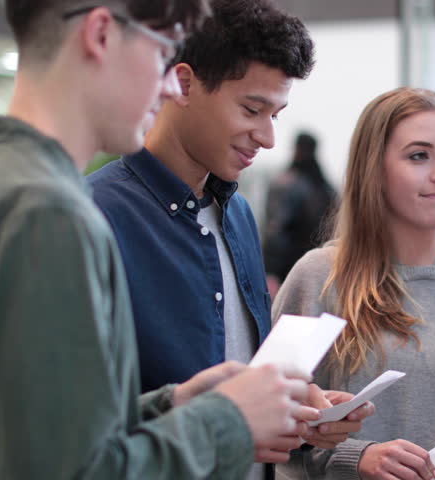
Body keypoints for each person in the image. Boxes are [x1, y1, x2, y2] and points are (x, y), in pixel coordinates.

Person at [0, 1, 319, 479]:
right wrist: (226, 420)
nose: (168, 85)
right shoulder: (46, 209)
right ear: (101, 34)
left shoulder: (0, 178)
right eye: (162, 51)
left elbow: (50, 435)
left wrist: (175, 403)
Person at [87, 0, 370, 474]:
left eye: (276, 115)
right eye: (252, 109)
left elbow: (243, 380)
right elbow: (78, 425)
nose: (267, 137)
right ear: (183, 84)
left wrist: (297, 414)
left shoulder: (236, 212)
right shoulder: (96, 217)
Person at [272, 87, 435, 480]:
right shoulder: (318, 278)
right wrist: (357, 457)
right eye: (419, 156)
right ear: (374, 168)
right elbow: (267, 424)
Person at [263, 131, 338, 296]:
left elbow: (275, 231)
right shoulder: (327, 188)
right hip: (322, 269)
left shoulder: (284, 184)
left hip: (289, 268)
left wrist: (270, 271)